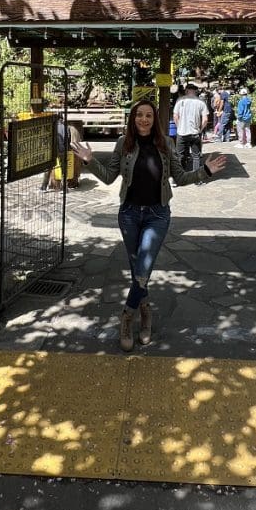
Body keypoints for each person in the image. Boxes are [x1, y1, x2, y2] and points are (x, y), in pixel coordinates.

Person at [71, 100, 227, 352]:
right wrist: (89, 160)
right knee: (137, 270)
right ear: (133, 119)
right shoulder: (124, 143)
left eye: (148, 116)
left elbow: (181, 177)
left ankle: (126, 316)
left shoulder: (166, 143)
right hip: (129, 214)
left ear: (155, 119)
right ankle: (146, 313)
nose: (143, 120)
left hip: (158, 215)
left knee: (143, 269)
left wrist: (205, 171)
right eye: (139, 115)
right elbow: (110, 177)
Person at [172, 83, 209, 171]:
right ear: (196, 91)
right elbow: (205, 120)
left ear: (186, 90)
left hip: (182, 132)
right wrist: (200, 130)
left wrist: (179, 126)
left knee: (180, 155)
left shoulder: (180, 100)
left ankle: (180, 175)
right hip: (195, 133)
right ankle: (196, 178)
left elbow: (175, 116)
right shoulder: (201, 102)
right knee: (196, 156)